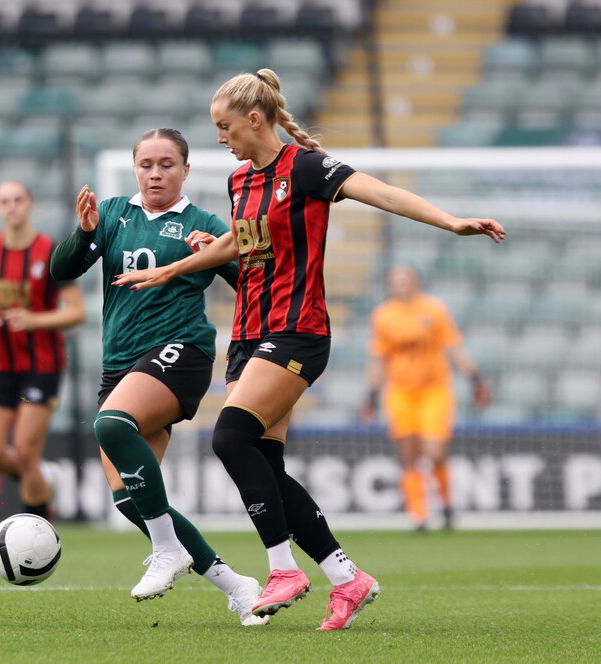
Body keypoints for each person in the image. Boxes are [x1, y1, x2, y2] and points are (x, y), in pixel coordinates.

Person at [114, 69, 506, 630]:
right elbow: (239, 241)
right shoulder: (239, 180)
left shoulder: (305, 167)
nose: (220, 137)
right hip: (248, 337)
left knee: (228, 436)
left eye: (224, 126)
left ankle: (283, 569)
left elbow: (382, 192)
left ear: (255, 119)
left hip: (297, 331)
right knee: (266, 464)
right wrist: (176, 266)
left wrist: (451, 221)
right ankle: (347, 578)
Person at [50, 128, 269, 626]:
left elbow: (249, 284)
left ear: (186, 170)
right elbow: (60, 271)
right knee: (132, 498)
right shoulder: (110, 215)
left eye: (166, 163)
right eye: (146, 163)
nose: (155, 172)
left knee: (110, 424)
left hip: (181, 351)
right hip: (121, 364)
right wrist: (84, 233)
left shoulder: (203, 222)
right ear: (135, 168)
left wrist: (216, 249)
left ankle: (168, 553)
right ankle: (237, 586)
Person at [0, 180, 85, 519]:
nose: (11, 207)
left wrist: (33, 320)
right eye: (4, 201)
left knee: (24, 450)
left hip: (42, 364)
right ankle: (43, 478)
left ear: (30, 204)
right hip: (1, 363)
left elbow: (77, 311)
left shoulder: (50, 251)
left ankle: (38, 529)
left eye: (18, 199)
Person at [361, 264, 490, 531]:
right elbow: (379, 358)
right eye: (395, 280)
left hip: (434, 389)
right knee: (408, 452)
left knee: (434, 451)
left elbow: (454, 346)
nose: (401, 284)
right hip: (400, 391)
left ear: (415, 281)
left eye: (405, 279)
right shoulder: (383, 315)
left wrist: (475, 379)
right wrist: (370, 395)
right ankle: (418, 514)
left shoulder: (433, 309)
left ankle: (446, 502)